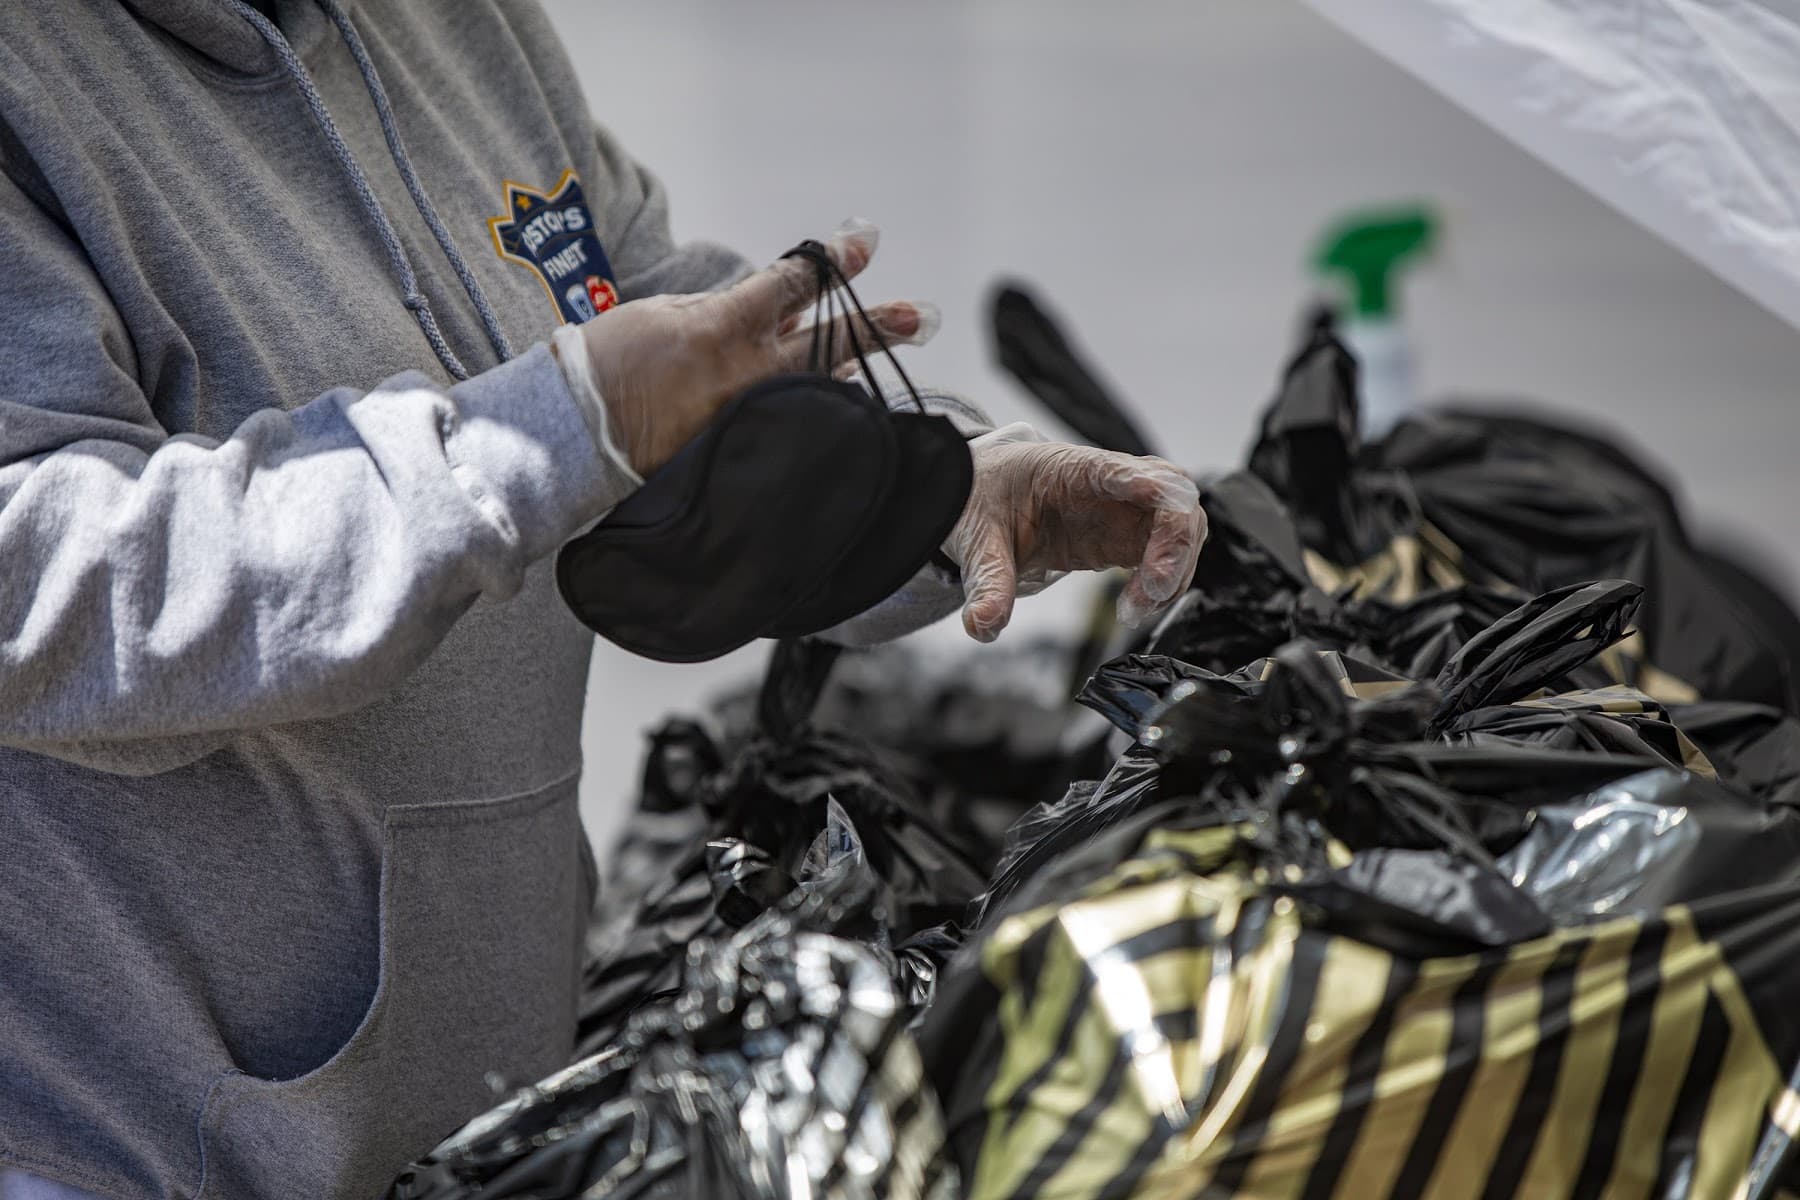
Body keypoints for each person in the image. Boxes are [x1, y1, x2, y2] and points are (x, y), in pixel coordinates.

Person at [0, 2, 1205, 1197]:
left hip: (502, 1121)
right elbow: (42, 578)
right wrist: (552, 431)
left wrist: (936, 481)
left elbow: (673, 346)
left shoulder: (458, 25)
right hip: (148, 1161)